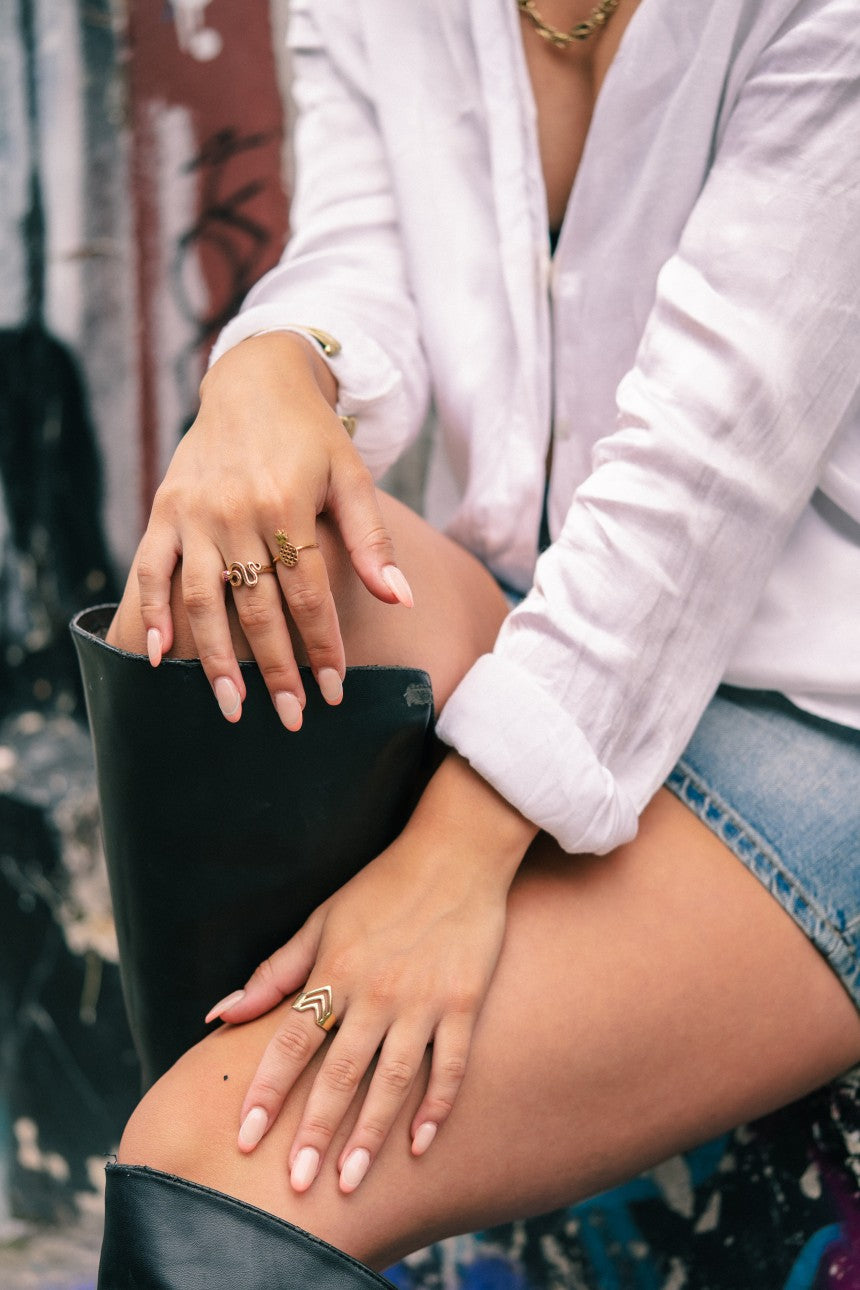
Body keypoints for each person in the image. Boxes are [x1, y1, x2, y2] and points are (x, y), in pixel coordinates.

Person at [80, 0, 860, 1284]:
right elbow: (353, 246)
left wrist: (452, 855)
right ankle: (291, 1096)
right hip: (545, 601)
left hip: (817, 712)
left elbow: (708, 459)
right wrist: (271, 366)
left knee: (202, 1176)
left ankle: (253, 1147)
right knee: (214, 579)